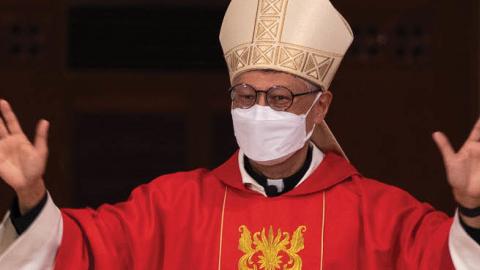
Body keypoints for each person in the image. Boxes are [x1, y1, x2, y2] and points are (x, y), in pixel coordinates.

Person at [1, 0, 480, 269]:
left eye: (279, 99)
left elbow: (451, 259)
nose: (258, 111)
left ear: (320, 107)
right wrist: (30, 194)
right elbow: (79, 249)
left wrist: (474, 211)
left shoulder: (382, 216)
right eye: (245, 96)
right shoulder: (172, 206)